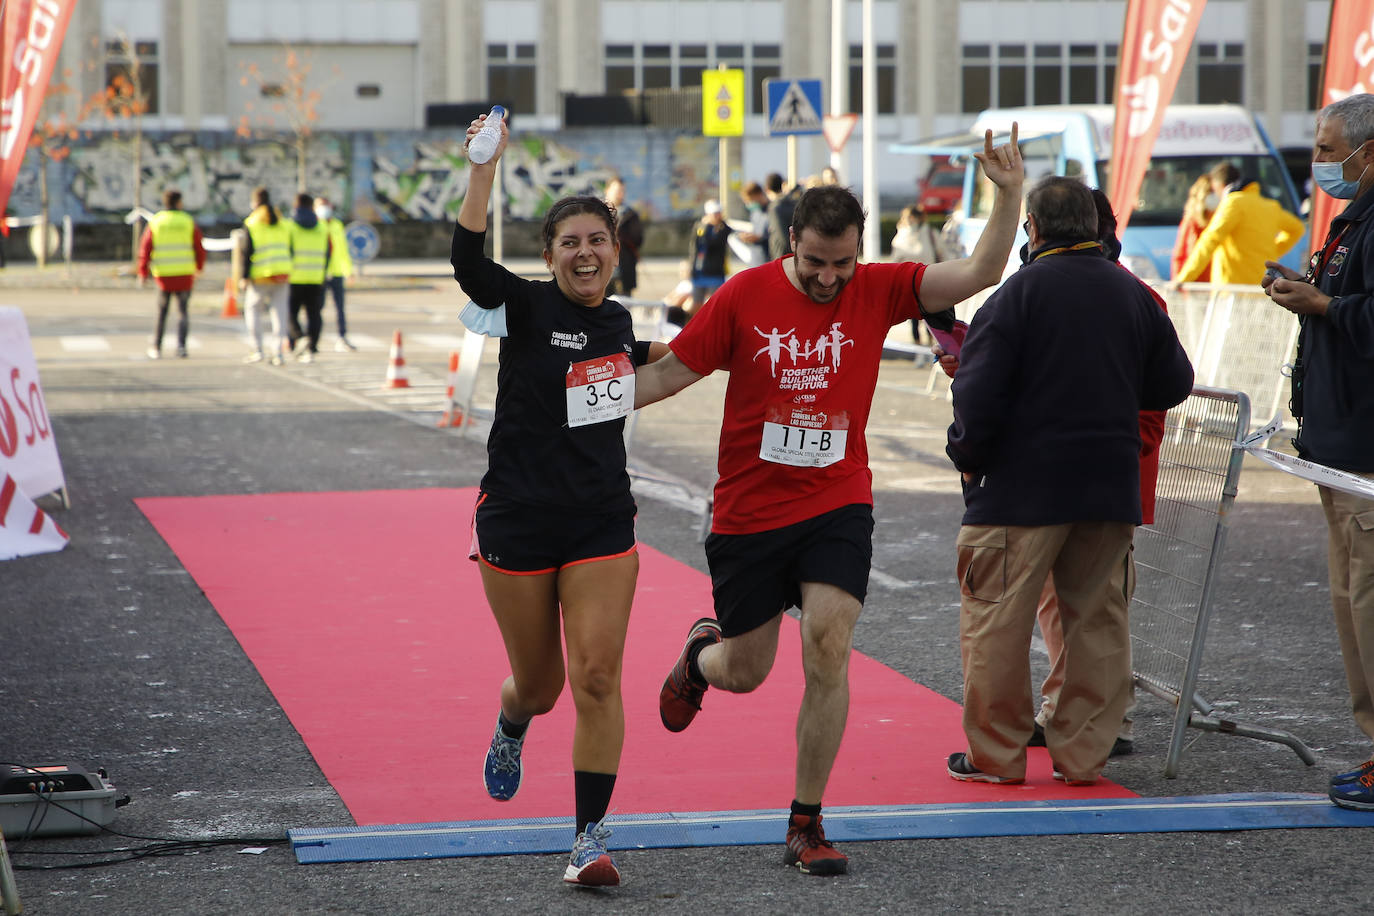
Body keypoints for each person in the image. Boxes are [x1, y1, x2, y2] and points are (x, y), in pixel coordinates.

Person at [633, 125, 1027, 876]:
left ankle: (805, 822)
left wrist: (1008, 194)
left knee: (828, 642)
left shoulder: (878, 288)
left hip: (835, 500)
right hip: (749, 509)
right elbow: (667, 376)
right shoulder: (743, 296)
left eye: (841, 263)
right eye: (814, 262)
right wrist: (570, 403)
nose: (827, 277)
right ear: (791, 243)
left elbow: (977, 272)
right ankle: (697, 657)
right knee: (746, 671)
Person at [452, 111, 665, 886]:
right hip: (515, 518)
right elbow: (469, 262)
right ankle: (512, 723)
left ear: (615, 249)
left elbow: (636, 358)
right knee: (540, 685)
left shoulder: (617, 319)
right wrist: (485, 169)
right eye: (569, 242)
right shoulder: (524, 306)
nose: (585, 251)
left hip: (601, 522)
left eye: (597, 239)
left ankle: (588, 840)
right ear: (549, 257)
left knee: (598, 677)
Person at [943, 176, 1193, 788]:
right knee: (1096, 624)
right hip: (1107, 487)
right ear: (1096, 227)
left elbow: (977, 397)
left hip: (1019, 490)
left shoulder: (1015, 296)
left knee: (996, 622)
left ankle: (997, 756)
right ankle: (1083, 756)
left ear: (1032, 229)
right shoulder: (1133, 295)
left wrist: (967, 455)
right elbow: (1174, 383)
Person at [1025, 188, 1169, 759]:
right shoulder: (1125, 295)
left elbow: (1156, 400)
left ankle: (1108, 716)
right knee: (1065, 604)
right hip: (1077, 477)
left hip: (1103, 480)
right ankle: (1071, 706)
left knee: (1096, 605)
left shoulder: (1134, 299)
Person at [1263, 93, 1374, 812]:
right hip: (1333, 447)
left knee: (1369, 599)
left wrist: (1324, 306)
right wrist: (1306, 292)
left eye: (1331, 150)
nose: (1321, 163)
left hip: (1365, 453)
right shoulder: (1350, 221)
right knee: (1350, 602)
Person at [1173, 161, 1305, 285]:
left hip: (1231, 290)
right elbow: (1297, 228)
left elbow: (1209, 241)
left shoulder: (1233, 203)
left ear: (1219, 185)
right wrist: (1272, 251)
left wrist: (1184, 279)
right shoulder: (1270, 206)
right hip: (1262, 286)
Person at [137, 189, 206, 360]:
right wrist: (199, 267)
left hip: (164, 275)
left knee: (162, 312)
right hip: (184, 273)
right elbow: (199, 246)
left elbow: (145, 249)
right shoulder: (187, 221)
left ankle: (156, 347)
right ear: (179, 203)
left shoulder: (157, 222)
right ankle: (181, 347)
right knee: (183, 312)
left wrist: (143, 272)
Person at [237, 187, 292, 365]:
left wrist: (243, 276)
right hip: (282, 272)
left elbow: (246, 252)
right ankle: (278, 353)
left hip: (260, 274)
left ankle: (258, 349)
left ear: (255, 202)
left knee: (252, 310)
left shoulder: (252, 222)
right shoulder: (283, 222)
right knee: (280, 313)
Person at [284, 192, 330, 363]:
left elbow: (286, 251)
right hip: (316, 276)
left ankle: (298, 337)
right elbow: (328, 253)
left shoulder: (289, 227)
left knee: (290, 313)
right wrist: (322, 272)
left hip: (294, 276)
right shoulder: (322, 227)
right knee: (314, 314)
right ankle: (312, 345)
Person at [891, 204, 945, 347]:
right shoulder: (905, 234)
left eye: (910, 217)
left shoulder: (927, 234)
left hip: (920, 281)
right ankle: (924, 348)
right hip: (919, 281)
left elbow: (895, 262)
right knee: (921, 318)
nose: (909, 220)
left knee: (924, 317)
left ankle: (926, 347)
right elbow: (895, 260)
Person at [313, 196, 356, 352]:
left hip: (336, 272)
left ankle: (342, 337)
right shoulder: (314, 225)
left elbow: (343, 250)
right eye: (321, 206)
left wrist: (348, 271)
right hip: (319, 273)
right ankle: (313, 339)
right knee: (317, 308)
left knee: (340, 308)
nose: (325, 209)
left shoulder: (337, 225)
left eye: (327, 205)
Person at [687, 199, 732, 319]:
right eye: (715, 213)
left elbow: (714, 243)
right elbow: (695, 246)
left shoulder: (723, 228)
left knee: (716, 303)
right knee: (696, 302)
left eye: (719, 212)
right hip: (700, 270)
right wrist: (691, 267)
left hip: (715, 271)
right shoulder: (700, 227)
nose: (718, 216)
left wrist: (709, 227)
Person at [1170, 175, 1216, 282]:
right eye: (1211, 192)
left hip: (1216, 286)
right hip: (1195, 286)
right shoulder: (1191, 222)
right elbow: (1179, 256)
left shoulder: (1223, 218)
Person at [604, 176, 643, 297]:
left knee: (623, 306)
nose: (620, 194)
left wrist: (621, 236)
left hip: (623, 268)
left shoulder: (630, 214)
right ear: (607, 190)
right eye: (617, 190)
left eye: (622, 191)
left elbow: (638, 239)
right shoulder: (597, 212)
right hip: (601, 270)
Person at [766, 172, 803, 260]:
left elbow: (781, 237)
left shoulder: (775, 208)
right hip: (795, 254)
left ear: (767, 189)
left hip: (780, 255)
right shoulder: (794, 203)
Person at [736, 180, 771, 266]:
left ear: (758, 195)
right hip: (755, 260)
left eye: (750, 200)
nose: (748, 204)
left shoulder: (772, 211)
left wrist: (760, 238)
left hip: (768, 259)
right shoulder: (755, 212)